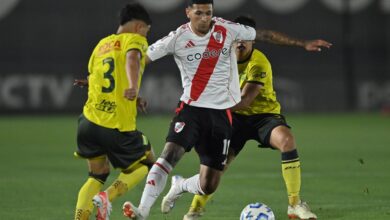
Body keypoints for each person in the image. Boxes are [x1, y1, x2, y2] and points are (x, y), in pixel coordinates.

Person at [122, 1, 331, 219]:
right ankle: (144, 211)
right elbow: (139, 58)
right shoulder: (177, 37)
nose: (204, 18)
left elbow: (265, 37)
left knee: (210, 182)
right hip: (192, 110)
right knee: (170, 155)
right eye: (199, 13)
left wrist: (302, 43)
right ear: (188, 12)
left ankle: (182, 185)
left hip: (230, 116)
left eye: (208, 13)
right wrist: (128, 86)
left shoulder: (230, 33)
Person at [183, 15, 320, 220]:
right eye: (236, 37)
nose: (240, 42)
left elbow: (246, 100)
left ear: (252, 40)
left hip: (263, 116)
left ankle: (294, 204)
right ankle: (194, 210)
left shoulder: (259, 62)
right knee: (215, 169)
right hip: (233, 119)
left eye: (245, 37)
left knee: (286, 140)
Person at [73, 3, 155, 220]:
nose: (147, 34)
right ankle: (106, 197)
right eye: (147, 29)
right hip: (116, 124)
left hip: (88, 122)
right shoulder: (135, 40)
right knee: (148, 164)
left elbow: (96, 77)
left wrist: (134, 97)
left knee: (96, 174)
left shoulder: (101, 45)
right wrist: (133, 86)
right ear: (139, 26)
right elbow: (132, 58)